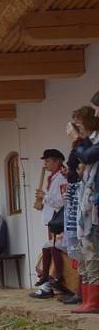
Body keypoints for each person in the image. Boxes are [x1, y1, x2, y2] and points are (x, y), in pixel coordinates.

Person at [71, 97, 99, 314]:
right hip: (87, 204)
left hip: (93, 203)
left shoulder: (93, 142)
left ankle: (93, 301)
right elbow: (74, 166)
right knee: (88, 251)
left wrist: (78, 141)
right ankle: (88, 299)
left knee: (93, 252)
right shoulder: (90, 140)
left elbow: (88, 156)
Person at [30, 149, 69, 299]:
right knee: (49, 247)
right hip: (51, 220)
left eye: (48, 161)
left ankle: (55, 281)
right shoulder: (52, 178)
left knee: (54, 247)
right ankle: (48, 281)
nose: (45, 164)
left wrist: (45, 196)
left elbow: (62, 201)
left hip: (59, 221)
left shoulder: (62, 177)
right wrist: (40, 202)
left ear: (57, 161)